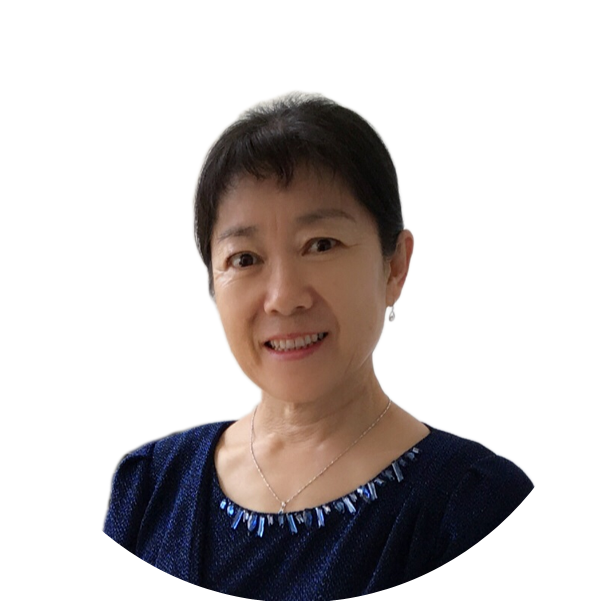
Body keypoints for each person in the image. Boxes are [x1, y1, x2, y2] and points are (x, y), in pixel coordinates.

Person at [90, 93, 536, 599]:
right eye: (244, 258)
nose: (283, 297)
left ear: (394, 267)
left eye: (321, 245)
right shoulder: (151, 487)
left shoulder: (471, 507)